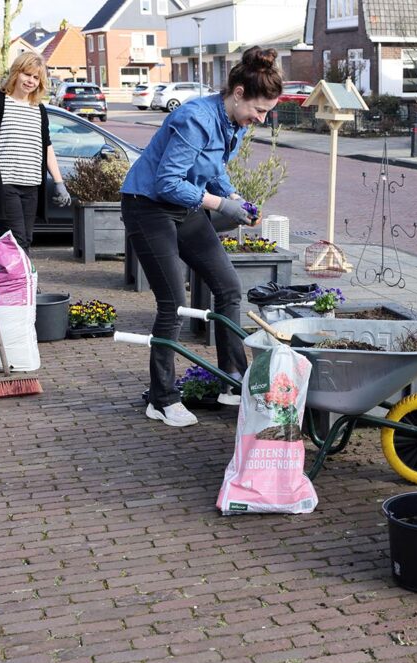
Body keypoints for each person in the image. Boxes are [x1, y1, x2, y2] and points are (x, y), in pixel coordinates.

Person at [120, 46, 282, 428]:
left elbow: (214, 169)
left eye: (266, 113)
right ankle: (162, 398)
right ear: (238, 93)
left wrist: (235, 198)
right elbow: (167, 182)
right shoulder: (194, 118)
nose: (259, 119)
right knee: (173, 302)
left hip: (185, 208)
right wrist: (219, 205)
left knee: (228, 288)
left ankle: (233, 380)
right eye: (258, 110)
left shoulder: (233, 124)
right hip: (148, 206)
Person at [0, 52, 71, 252]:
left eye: (36, 78)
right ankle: (22, 282)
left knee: (25, 238)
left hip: (32, 185)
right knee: (16, 239)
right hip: (5, 185)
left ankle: (16, 281)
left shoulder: (39, 109)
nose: (30, 81)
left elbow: (47, 146)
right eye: (27, 74)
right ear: (16, 73)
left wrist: (59, 183)